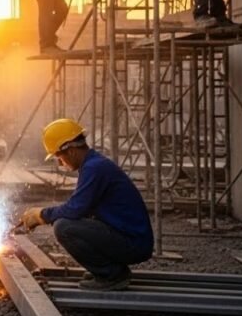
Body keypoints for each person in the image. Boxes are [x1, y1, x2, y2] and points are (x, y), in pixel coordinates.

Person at [19, 118, 154, 291]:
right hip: (131, 238)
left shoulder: (94, 168)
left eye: (59, 156)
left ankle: (111, 275)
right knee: (70, 222)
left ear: (71, 150)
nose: (60, 162)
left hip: (134, 244)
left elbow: (75, 209)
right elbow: (80, 207)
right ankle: (105, 269)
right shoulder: (93, 164)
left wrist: (42, 215)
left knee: (64, 227)